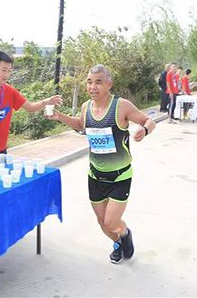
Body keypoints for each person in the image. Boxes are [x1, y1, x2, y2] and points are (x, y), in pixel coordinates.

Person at [47, 64, 156, 264]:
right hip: (95, 176)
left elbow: (148, 120)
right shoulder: (86, 107)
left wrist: (145, 130)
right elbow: (81, 125)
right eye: (89, 82)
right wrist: (60, 116)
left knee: (111, 222)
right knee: (102, 223)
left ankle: (124, 232)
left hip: (120, 176)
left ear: (109, 84)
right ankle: (118, 242)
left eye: (98, 82)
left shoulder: (121, 106)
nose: (93, 87)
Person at [0, 51, 63, 160]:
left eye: (9, 71)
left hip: (1, 150)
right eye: (4, 70)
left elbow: (30, 108)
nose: (6, 75)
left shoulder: (10, 91)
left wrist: (46, 102)